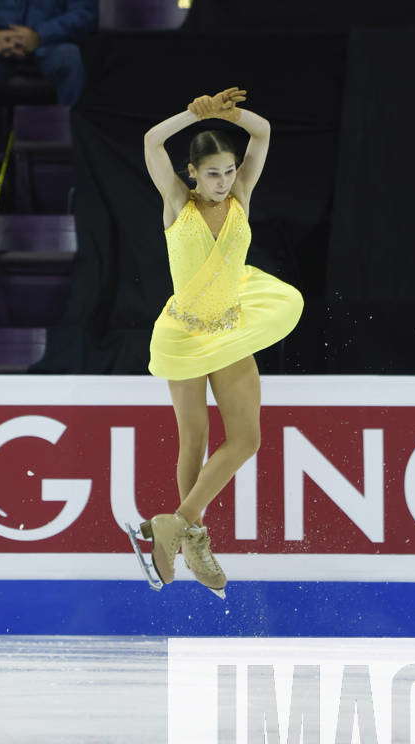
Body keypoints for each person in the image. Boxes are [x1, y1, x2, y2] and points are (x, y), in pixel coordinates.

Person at [140, 86, 304, 595]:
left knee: (246, 439)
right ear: (193, 173)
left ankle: (180, 524)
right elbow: (151, 140)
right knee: (195, 439)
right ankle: (193, 536)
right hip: (186, 336)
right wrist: (192, 114)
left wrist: (229, 114)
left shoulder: (241, 199)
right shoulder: (176, 204)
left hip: (231, 332)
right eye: (212, 173)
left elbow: (262, 132)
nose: (223, 180)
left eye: (229, 171)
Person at [0, 0, 97, 107]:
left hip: (49, 47)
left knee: (70, 58)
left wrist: (40, 35)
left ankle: (72, 138)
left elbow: (84, 15)